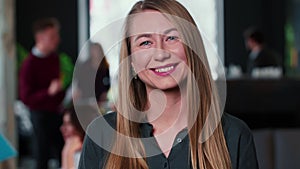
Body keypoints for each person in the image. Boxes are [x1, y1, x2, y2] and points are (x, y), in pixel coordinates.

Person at [79, 1, 258, 169]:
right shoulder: (102, 135)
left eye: (172, 38)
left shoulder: (234, 135)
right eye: (145, 42)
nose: (161, 54)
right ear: (131, 61)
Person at [19, 17, 65, 169]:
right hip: (39, 116)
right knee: (42, 155)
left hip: (56, 113)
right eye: (52, 36)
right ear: (40, 37)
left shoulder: (54, 58)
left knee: (63, 152)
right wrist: (48, 93)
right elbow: (26, 97)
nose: (56, 40)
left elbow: (57, 92)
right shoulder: (29, 64)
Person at [73, 42, 110, 111]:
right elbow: (80, 81)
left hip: (99, 99)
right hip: (86, 97)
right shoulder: (85, 66)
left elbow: (107, 83)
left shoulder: (105, 67)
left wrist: (104, 94)